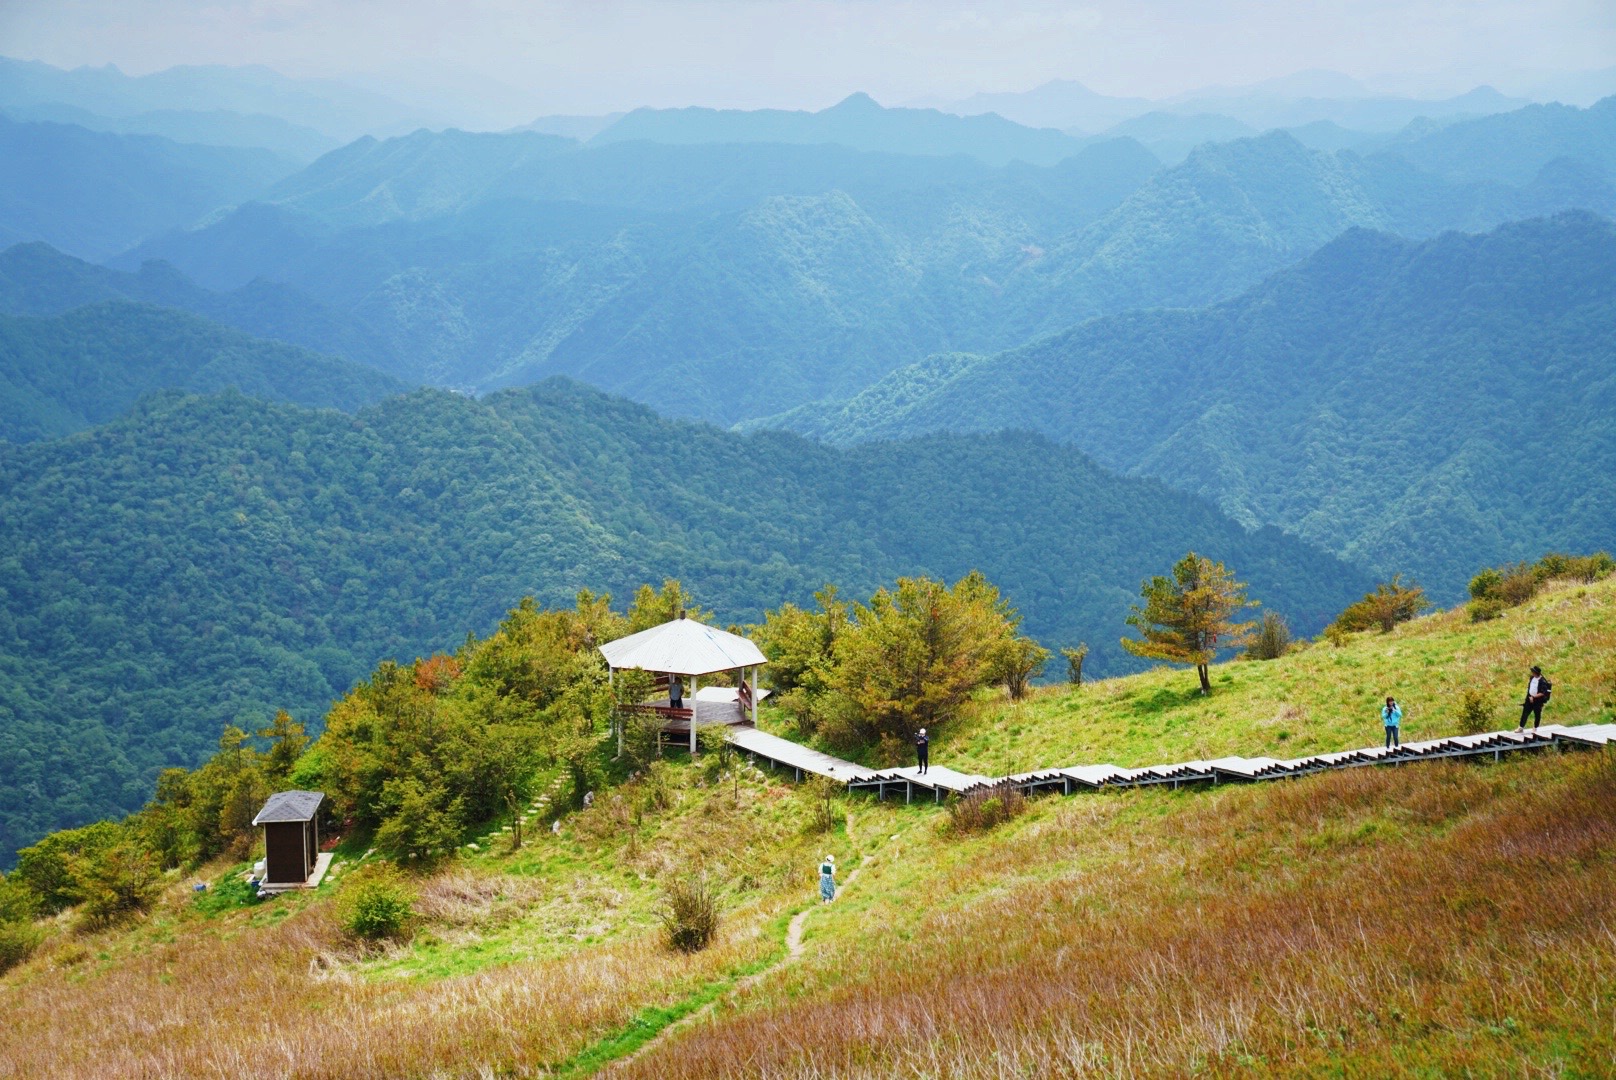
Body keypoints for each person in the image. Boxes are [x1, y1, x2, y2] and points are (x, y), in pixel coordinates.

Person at [1519, 665, 1552, 732]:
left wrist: (1533, 697)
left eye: (1533, 672)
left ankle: (1535, 727)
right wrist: (1529, 697)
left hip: (1538, 700)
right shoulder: (1532, 678)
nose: (1532, 673)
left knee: (1537, 714)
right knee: (1525, 713)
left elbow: (1542, 693)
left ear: (1536, 673)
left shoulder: (1542, 681)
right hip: (1529, 698)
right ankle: (1521, 727)